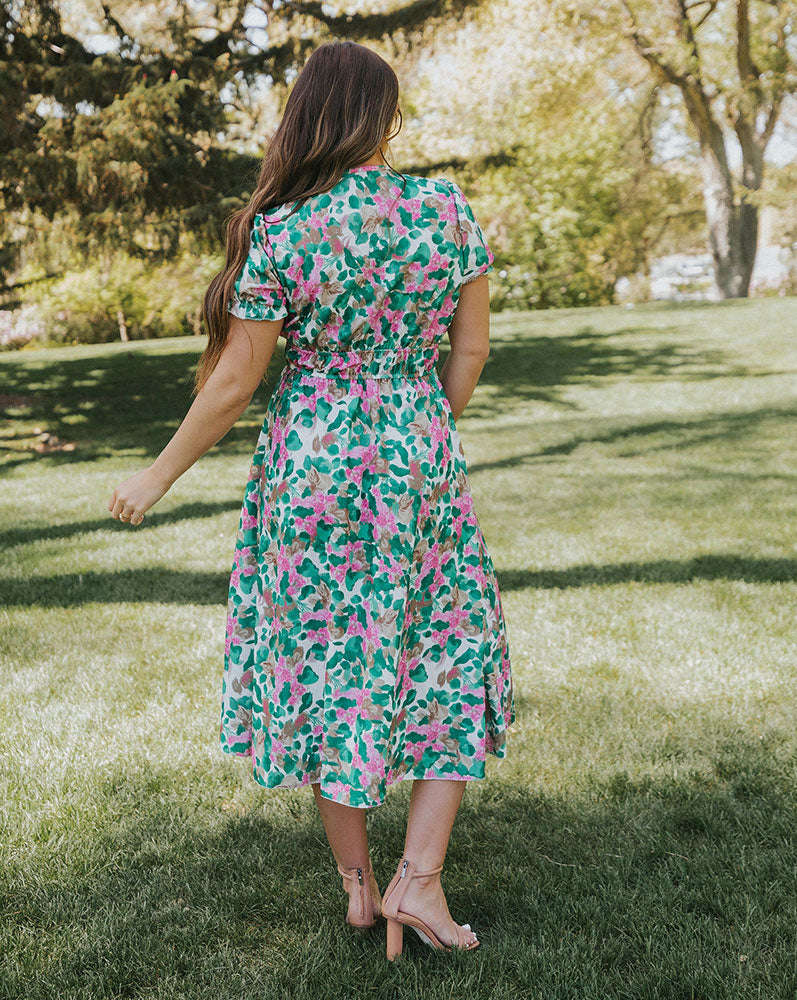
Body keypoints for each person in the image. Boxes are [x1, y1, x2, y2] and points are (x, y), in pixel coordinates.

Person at [107, 39, 515, 961]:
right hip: (418, 459)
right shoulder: (444, 208)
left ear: (310, 118)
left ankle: (362, 891)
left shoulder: (283, 229)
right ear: (384, 116)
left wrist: (156, 474)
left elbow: (234, 382)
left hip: (313, 469)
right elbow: (472, 352)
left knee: (335, 669)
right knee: (450, 648)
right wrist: (419, 425)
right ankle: (423, 878)